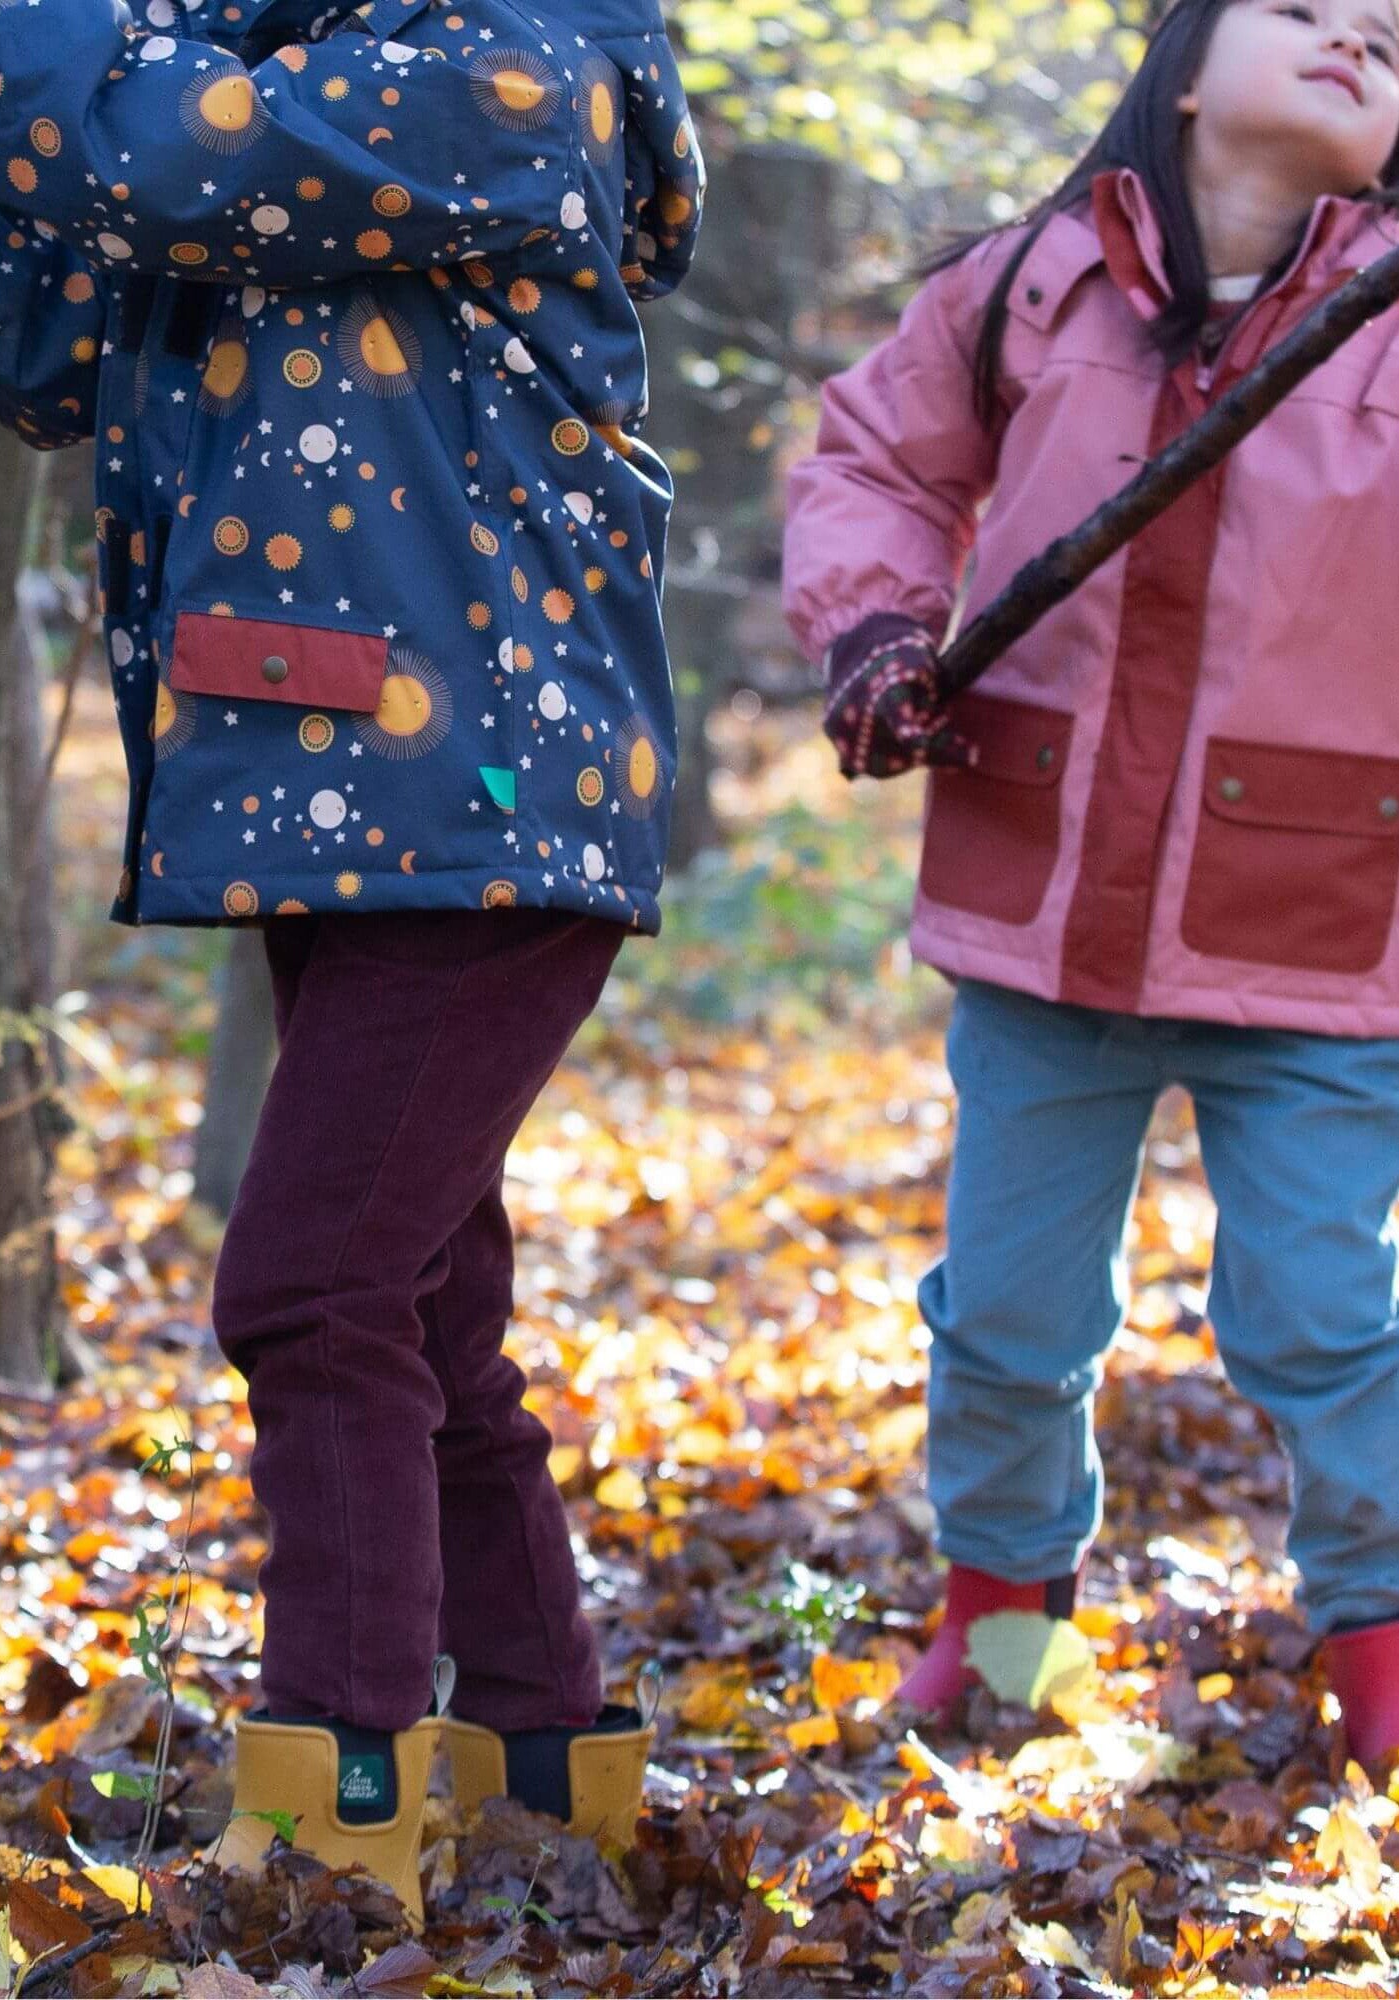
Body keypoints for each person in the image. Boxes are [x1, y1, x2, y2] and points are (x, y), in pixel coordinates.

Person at [0, 0, 701, 1915]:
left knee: (313, 1287)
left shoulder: (515, 61)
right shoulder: (254, 85)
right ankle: (547, 1782)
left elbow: (172, 160)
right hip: (344, 796)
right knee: (419, 1306)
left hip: (489, 796)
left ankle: (334, 1811)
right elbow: (64, 355)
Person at [784, 0, 1399, 1769]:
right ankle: (1005, 1633)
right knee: (1006, 1314)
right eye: (1302, 9)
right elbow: (874, 464)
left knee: (1325, 1315)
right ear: (1182, 65)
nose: (1352, 42)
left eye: (1387, 38)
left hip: (1318, 926)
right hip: (1041, 912)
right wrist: (877, 634)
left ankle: (1380, 1646)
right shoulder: (1025, 287)